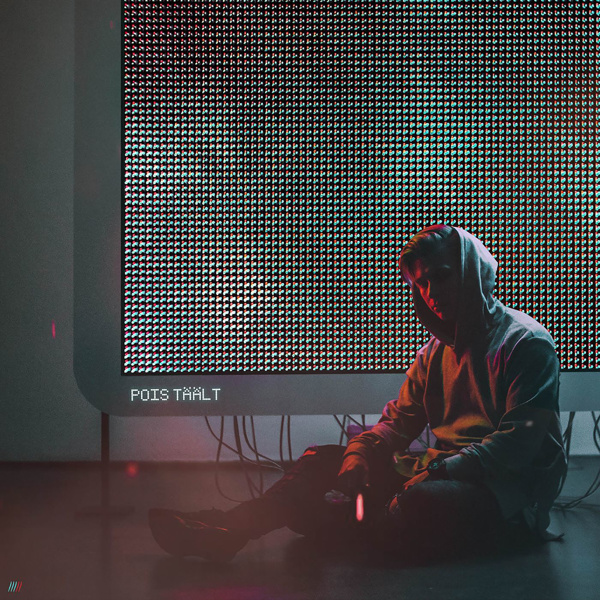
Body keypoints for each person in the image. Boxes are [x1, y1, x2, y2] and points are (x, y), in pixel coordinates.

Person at [148, 225, 567, 563]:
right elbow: (395, 424)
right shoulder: (433, 354)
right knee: (320, 461)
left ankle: (334, 519)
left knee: (419, 501)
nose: (431, 291)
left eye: (441, 275)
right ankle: (230, 528)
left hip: (505, 495)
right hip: (436, 474)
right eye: (421, 283)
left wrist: (439, 472)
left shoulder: (526, 344)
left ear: (471, 272)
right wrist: (358, 455)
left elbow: (518, 445)